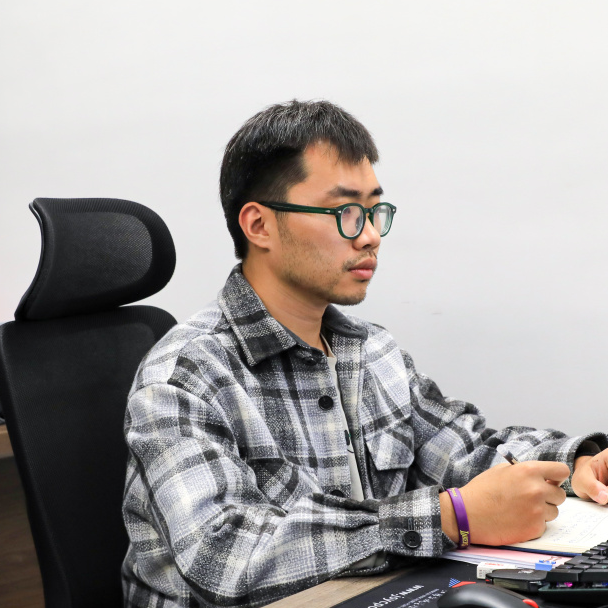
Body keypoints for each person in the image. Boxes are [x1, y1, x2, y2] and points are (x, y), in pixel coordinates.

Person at [122, 100, 608, 608]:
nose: (371, 235)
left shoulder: (372, 351)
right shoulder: (184, 378)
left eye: (375, 211)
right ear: (259, 225)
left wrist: (578, 464)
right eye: (345, 213)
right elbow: (224, 558)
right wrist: (450, 517)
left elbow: (466, 450)